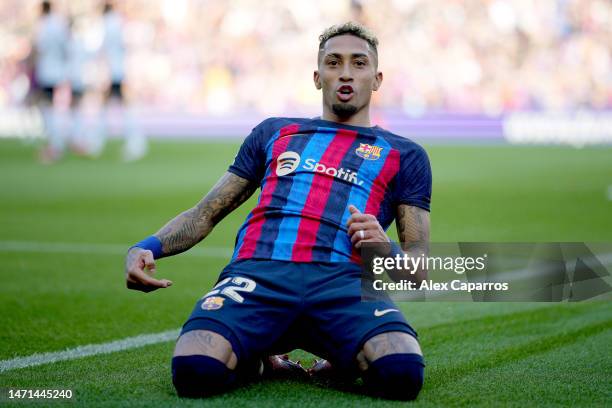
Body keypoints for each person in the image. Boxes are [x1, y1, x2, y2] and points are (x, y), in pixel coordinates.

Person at [125, 22, 431, 401]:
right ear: (318, 77)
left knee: (402, 374)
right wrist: (146, 247)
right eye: (334, 63)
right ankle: (262, 362)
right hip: (258, 276)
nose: (346, 73)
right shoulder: (276, 132)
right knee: (194, 371)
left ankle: (341, 359)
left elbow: (418, 270)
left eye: (359, 63)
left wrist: (384, 249)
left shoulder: (406, 154)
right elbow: (205, 213)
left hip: (344, 283)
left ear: (377, 78)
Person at [33, 0, 68, 163]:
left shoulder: (43, 25)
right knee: (52, 105)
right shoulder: (58, 24)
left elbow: (39, 48)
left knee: (45, 105)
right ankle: (56, 141)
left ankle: (54, 143)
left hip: (46, 70)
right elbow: (65, 46)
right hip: (58, 70)